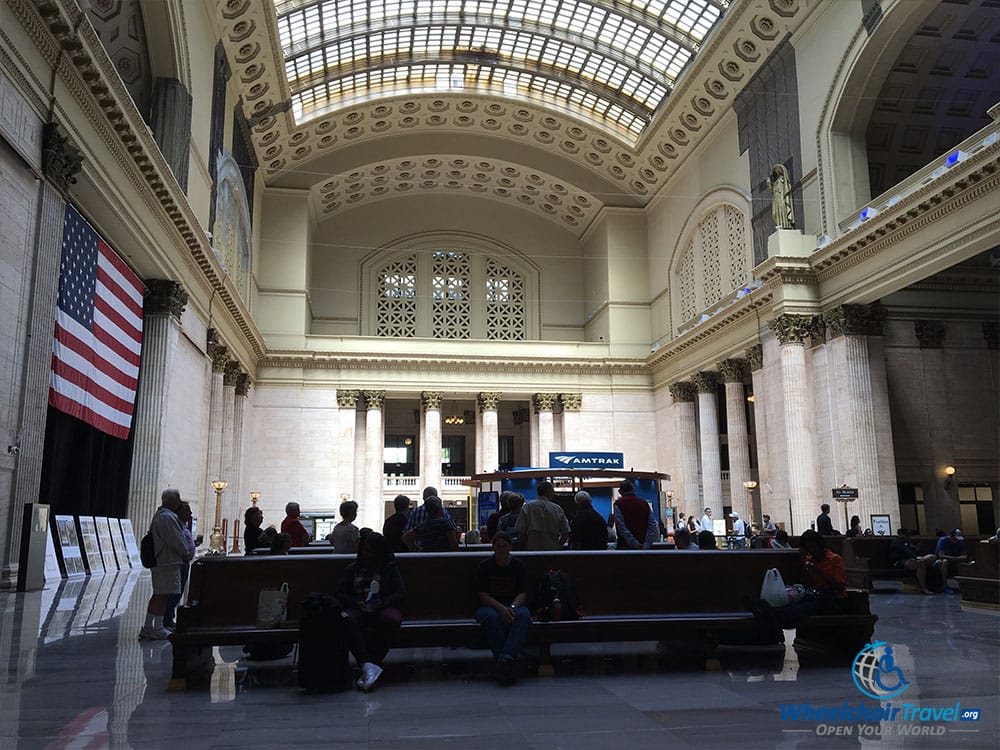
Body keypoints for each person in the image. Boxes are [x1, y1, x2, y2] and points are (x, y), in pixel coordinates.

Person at [335, 532, 405, 692]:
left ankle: (369, 664)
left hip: (382, 607)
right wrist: (355, 603)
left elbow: (399, 592)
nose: (368, 555)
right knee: (347, 619)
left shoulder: (389, 569)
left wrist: (382, 603)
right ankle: (368, 664)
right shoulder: (352, 569)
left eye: (372, 551)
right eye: (366, 550)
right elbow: (340, 593)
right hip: (358, 607)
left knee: (391, 619)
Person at [475, 531, 530, 685]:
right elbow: (483, 595)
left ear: (510, 548)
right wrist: (501, 608)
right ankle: (507, 661)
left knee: (523, 616)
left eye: (504, 546)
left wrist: (511, 607)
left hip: (514, 605)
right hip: (490, 606)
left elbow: (523, 593)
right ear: (492, 548)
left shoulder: (518, 566)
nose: (501, 549)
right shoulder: (485, 566)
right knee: (491, 617)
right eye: (498, 546)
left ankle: (503, 660)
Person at [139, 489, 192, 640]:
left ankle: (148, 626)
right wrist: (185, 552)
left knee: (158, 595)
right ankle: (157, 628)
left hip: (163, 561)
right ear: (170, 501)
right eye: (177, 498)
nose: (179, 501)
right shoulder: (167, 518)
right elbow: (176, 539)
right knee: (163, 596)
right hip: (167, 562)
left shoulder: (161, 516)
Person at [163, 501, 198, 631]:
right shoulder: (176, 526)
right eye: (187, 510)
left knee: (178, 592)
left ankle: (169, 619)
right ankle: (167, 620)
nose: (190, 513)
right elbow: (177, 543)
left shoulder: (183, 526)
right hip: (179, 562)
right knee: (173, 593)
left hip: (184, 562)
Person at [515, 481, 570, 550]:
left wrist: (526, 546)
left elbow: (520, 532)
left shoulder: (527, 507)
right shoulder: (557, 509)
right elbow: (566, 533)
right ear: (548, 492)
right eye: (552, 491)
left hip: (532, 551)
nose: (553, 494)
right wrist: (558, 546)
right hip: (552, 551)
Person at [613, 480, 658, 549]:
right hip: (644, 545)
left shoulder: (618, 504)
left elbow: (621, 528)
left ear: (620, 491)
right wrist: (646, 544)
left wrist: (634, 543)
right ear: (633, 489)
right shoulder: (644, 504)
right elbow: (652, 525)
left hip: (625, 547)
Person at [890, 528, 936, 594]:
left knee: (932, 557)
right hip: (901, 561)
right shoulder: (897, 542)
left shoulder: (908, 542)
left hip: (913, 560)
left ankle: (931, 583)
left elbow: (913, 551)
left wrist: (916, 550)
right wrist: (916, 557)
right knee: (920, 563)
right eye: (906, 535)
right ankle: (923, 587)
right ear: (901, 534)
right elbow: (906, 551)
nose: (908, 536)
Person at [935, 528, 968, 593]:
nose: (956, 540)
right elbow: (941, 556)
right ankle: (945, 586)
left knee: (963, 564)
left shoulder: (960, 543)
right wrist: (957, 558)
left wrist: (958, 559)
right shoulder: (942, 540)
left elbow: (964, 556)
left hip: (954, 561)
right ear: (951, 536)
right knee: (945, 562)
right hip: (941, 561)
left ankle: (963, 585)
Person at [766, 163, 795, 229]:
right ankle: (779, 225)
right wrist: (769, 184)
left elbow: (785, 189)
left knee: (782, 210)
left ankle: (785, 225)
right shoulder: (776, 182)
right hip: (776, 200)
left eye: (776, 171)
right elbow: (772, 190)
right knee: (775, 213)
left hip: (781, 198)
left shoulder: (781, 180)